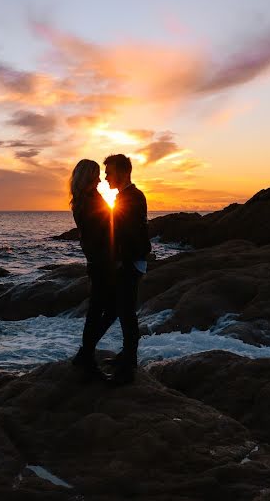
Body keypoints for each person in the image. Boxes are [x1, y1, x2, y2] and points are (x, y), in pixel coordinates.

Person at [104, 154, 151, 384]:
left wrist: (122, 260)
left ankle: (128, 365)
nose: (105, 177)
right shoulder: (129, 196)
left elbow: (131, 234)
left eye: (109, 172)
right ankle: (127, 355)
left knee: (126, 313)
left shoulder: (131, 198)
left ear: (122, 173)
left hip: (130, 262)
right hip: (133, 260)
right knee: (125, 310)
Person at [68, 159, 115, 380]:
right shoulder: (89, 202)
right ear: (88, 177)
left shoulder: (82, 200)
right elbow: (101, 232)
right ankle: (86, 356)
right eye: (96, 175)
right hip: (102, 261)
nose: (99, 179)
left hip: (97, 260)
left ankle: (85, 354)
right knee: (103, 310)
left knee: (99, 310)